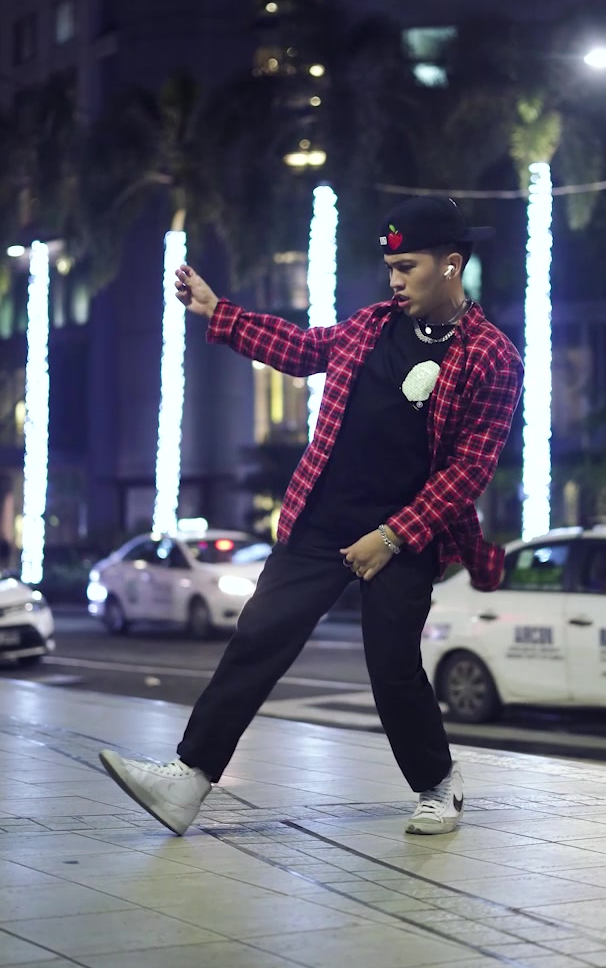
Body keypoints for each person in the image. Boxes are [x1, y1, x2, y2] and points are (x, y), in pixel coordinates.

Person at [99, 196, 524, 837]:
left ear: (450, 265)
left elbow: (468, 471)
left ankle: (438, 783)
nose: (394, 280)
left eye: (407, 267)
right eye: (390, 267)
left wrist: (392, 536)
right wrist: (219, 312)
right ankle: (188, 778)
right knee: (258, 637)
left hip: (406, 534)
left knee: (391, 665)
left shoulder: (492, 356)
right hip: (321, 519)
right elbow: (301, 349)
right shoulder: (372, 325)